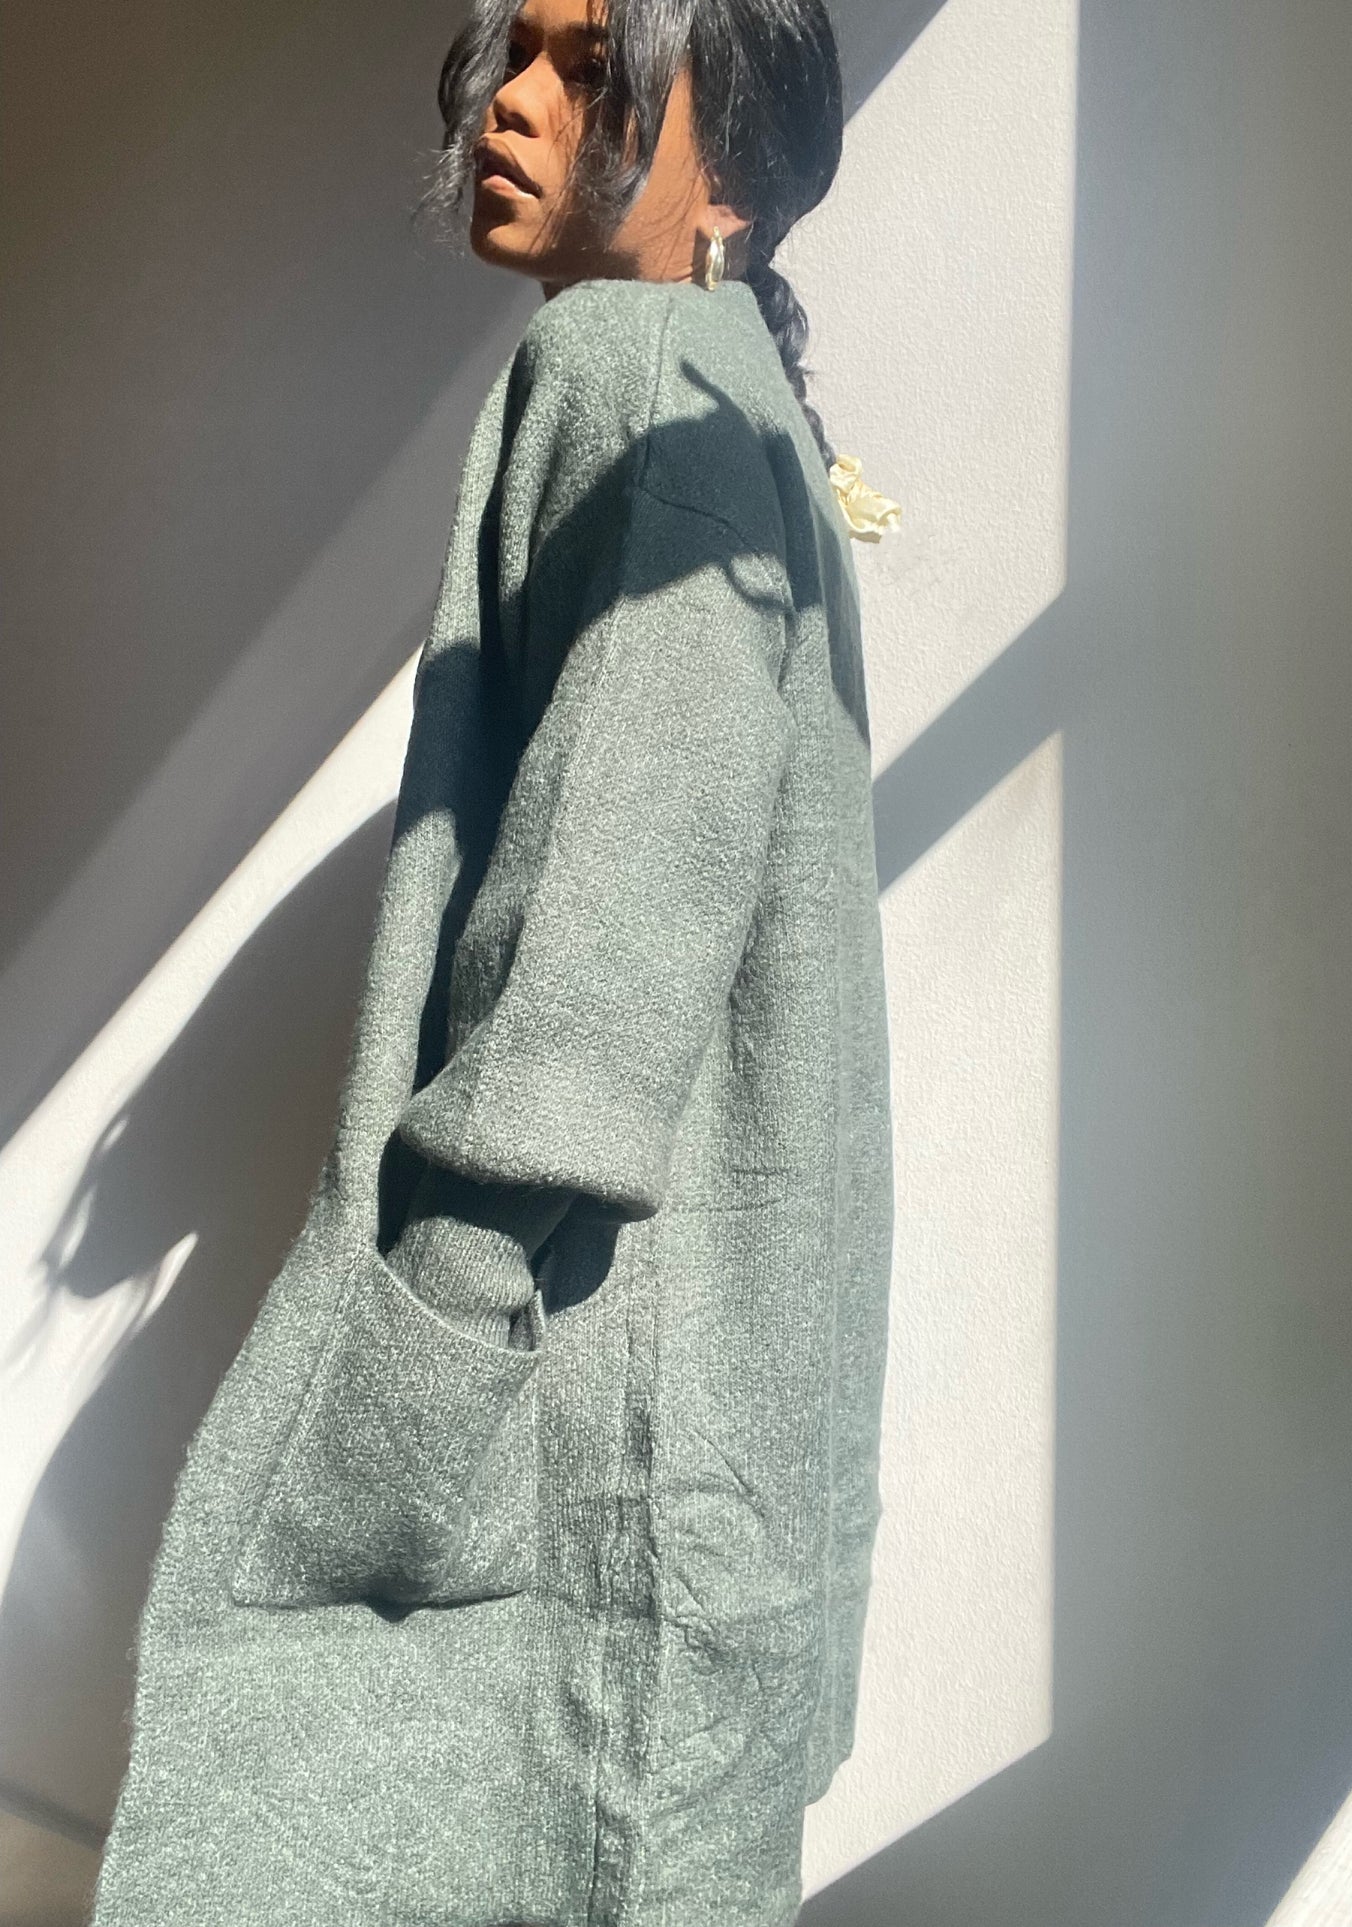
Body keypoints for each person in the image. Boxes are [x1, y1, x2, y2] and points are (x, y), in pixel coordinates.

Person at [88, 1, 895, 1922]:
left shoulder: (636, 370)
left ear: (730, 167)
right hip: (713, 1392)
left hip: (602, 1370)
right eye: (513, 58)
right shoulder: (735, 410)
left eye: (591, 71)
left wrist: (427, 1324)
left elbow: (619, 900)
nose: (517, 108)